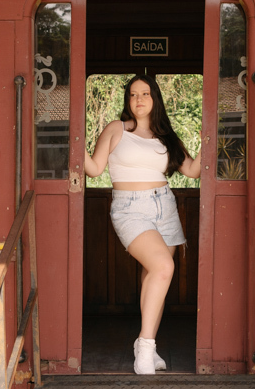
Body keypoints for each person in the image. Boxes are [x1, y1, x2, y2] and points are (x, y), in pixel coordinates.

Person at [84, 74, 203, 375]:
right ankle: (145, 348)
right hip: (130, 208)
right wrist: (69, 140)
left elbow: (191, 170)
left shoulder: (166, 135)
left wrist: (211, 136)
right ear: (128, 100)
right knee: (164, 267)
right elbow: (95, 169)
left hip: (165, 206)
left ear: (155, 99)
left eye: (145, 94)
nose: (139, 99)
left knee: (156, 277)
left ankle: (148, 344)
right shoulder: (117, 129)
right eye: (134, 94)